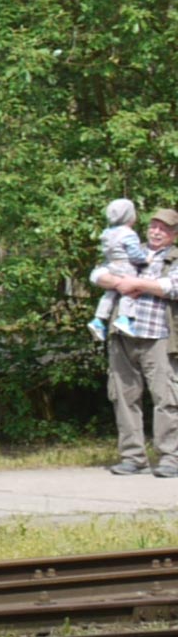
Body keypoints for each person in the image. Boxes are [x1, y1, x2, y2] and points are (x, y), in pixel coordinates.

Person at [90, 207, 178, 474]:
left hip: (159, 337)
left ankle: (170, 458)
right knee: (124, 397)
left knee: (167, 398)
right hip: (123, 335)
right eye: (153, 226)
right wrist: (118, 283)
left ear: (174, 234)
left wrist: (134, 284)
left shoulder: (174, 257)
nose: (156, 232)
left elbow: (172, 287)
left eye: (163, 228)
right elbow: (96, 275)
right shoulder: (130, 248)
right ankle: (133, 457)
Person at [90, 197, 144, 341]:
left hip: (111, 265)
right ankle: (124, 317)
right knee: (129, 290)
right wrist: (145, 259)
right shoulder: (128, 234)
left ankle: (98, 319)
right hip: (126, 266)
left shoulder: (107, 233)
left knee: (109, 294)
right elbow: (135, 254)